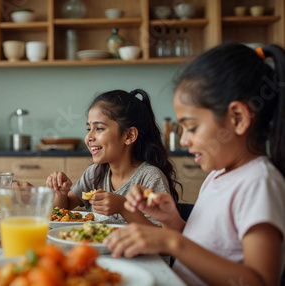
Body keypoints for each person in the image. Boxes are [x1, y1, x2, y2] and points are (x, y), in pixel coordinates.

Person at [105, 43, 285, 285]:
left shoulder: (260, 183)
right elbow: (208, 248)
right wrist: (173, 222)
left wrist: (171, 242)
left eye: (192, 127)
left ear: (238, 118)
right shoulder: (218, 175)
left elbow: (261, 281)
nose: (184, 139)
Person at [46, 89, 181, 225]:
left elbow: (162, 236)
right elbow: (64, 208)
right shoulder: (95, 172)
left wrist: (123, 207)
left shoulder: (150, 177)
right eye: (89, 129)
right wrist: (61, 193)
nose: (88, 137)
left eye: (99, 128)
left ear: (129, 136)